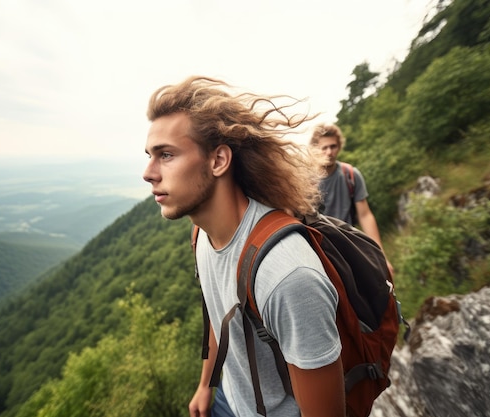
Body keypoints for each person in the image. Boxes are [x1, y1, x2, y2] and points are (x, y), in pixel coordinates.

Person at [142, 76, 346, 417]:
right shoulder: (202, 235)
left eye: (166, 155)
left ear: (219, 160)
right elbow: (219, 316)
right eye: (150, 155)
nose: (148, 173)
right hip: (230, 398)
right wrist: (206, 386)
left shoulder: (288, 276)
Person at [309, 124, 394, 276]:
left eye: (333, 146)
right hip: (321, 251)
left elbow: (365, 215)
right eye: (324, 147)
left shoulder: (351, 175)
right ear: (315, 149)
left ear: (339, 146)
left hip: (349, 245)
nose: (329, 152)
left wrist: (381, 257)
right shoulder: (307, 181)